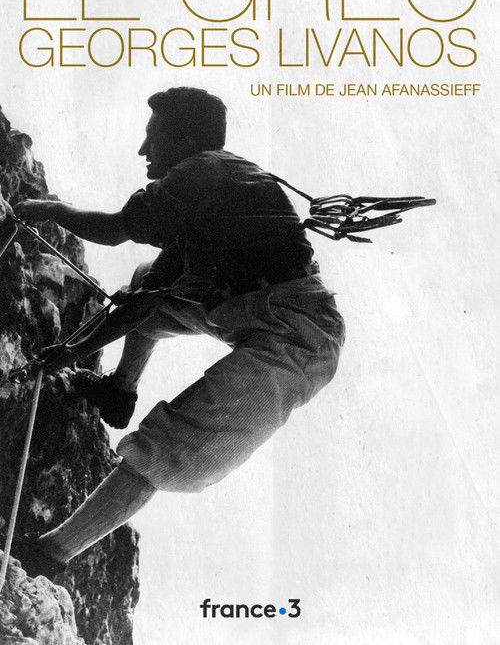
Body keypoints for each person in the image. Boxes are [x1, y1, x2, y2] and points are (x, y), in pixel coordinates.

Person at [10, 87, 346, 581]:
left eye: (154, 137)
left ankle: (50, 554)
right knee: (148, 279)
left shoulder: (202, 173)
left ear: (185, 139)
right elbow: (143, 302)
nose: (143, 150)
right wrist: (70, 352)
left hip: (299, 339)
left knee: (170, 446)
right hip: (250, 308)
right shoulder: (215, 183)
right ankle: (119, 391)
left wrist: (52, 210)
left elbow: (115, 229)